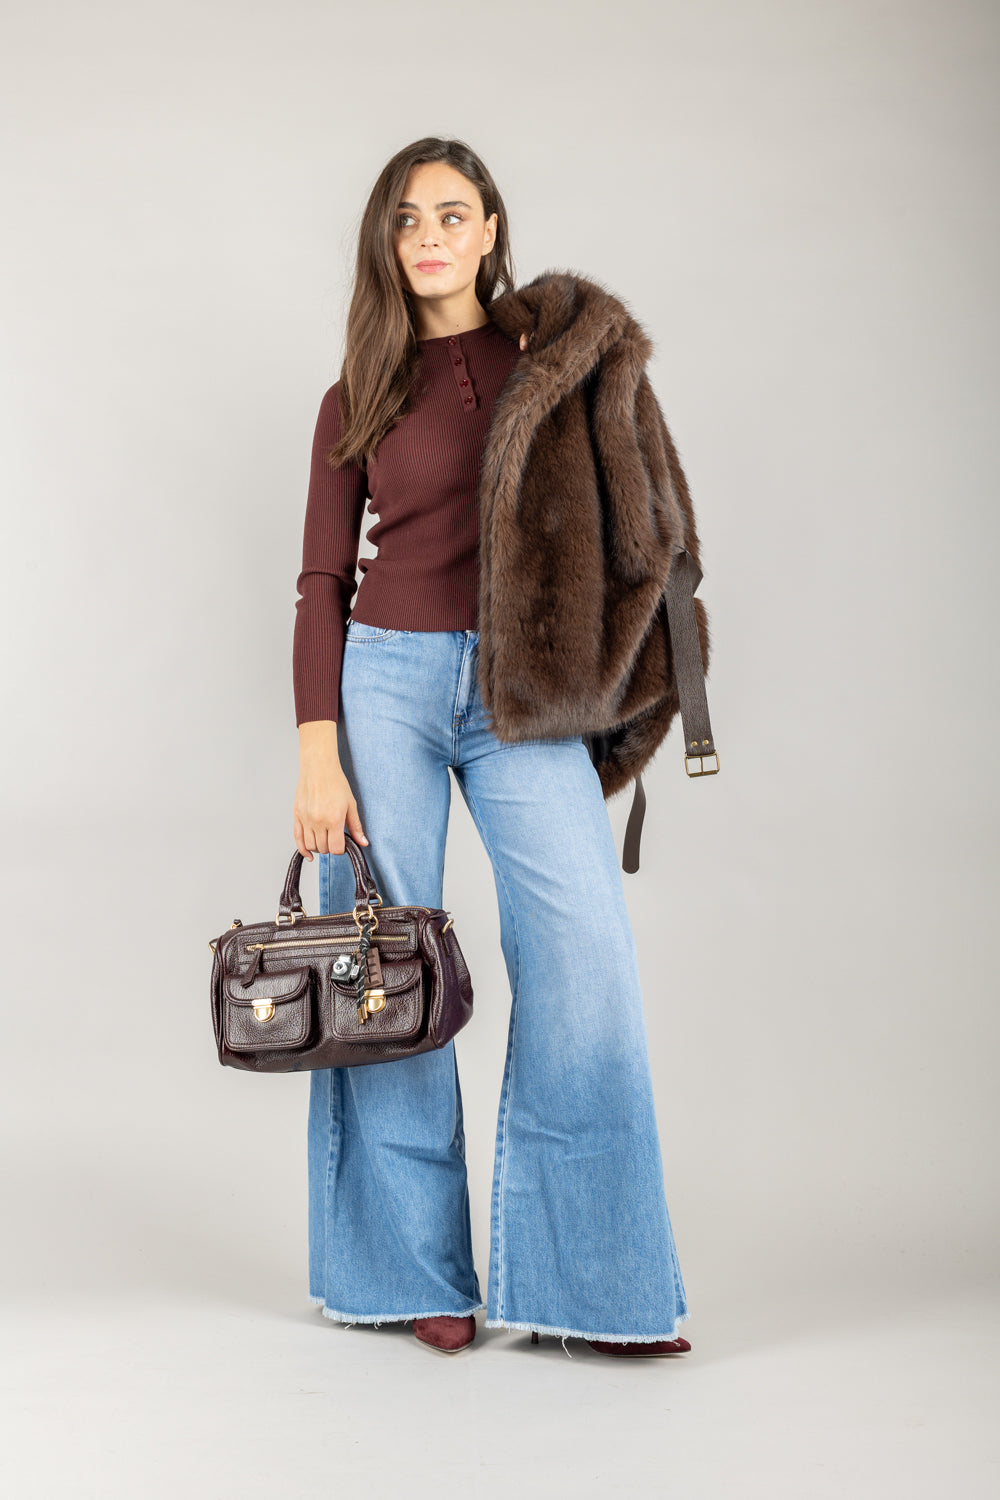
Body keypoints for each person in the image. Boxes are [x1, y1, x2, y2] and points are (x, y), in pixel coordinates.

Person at [292, 136, 694, 1358]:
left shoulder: (556, 365)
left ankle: (596, 1286)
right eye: (407, 218)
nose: (429, 236)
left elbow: (639, 524)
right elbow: (320, 584)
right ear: (387, 240)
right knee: (383, 973)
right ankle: (413, 1273)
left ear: (489, 228)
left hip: (522, 693)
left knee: (584, 954)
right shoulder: (355, 393)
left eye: (451, 214)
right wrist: (317, 752)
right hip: (385, 683)